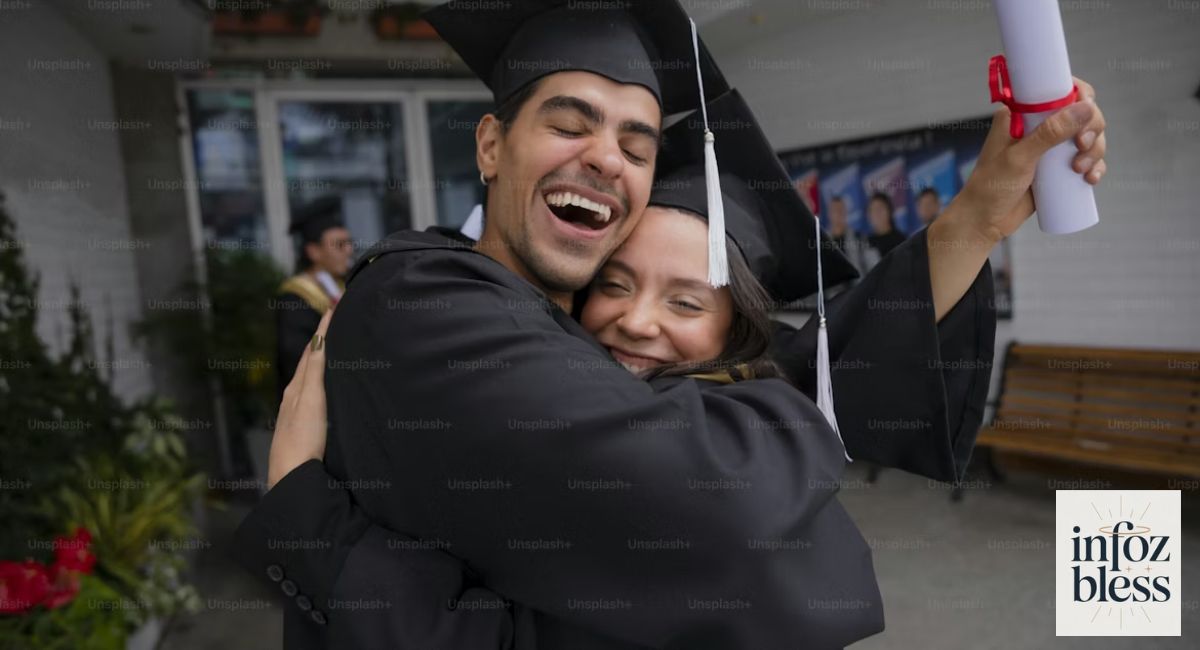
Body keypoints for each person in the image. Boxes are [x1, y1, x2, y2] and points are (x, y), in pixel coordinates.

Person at [235, 1, 1109, 647]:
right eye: (568, 123)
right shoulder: (424, 303)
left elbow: (803, 363)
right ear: (492, 144)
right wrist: (303, 532)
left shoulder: (556, 323)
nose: (605, 156)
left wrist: (978, 217)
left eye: (638, 142)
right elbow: (718, 487)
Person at [274, 195, 353, 395]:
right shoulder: (296, 298)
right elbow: (301, 355)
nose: (349, 250)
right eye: (339, 244)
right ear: (314, 251)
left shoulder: (345, 286)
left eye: (349, 242)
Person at [825, 195, 868, 272]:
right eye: (834, 210)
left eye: (841, 209)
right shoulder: (823, 240)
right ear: (829, 213)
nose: (838, 213)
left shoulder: (858, 237)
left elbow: (869, 265)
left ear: (846, 212)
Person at [864, 191, 907, 264]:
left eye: (880, 208)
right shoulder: (866, 244)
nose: (877, 213)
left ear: (889, 210)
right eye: (873, 210)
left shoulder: (902, 241)